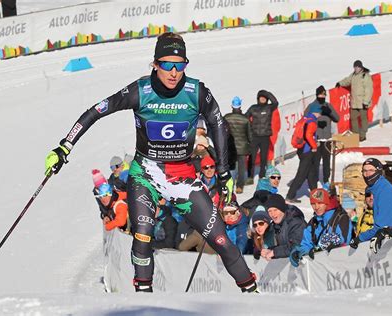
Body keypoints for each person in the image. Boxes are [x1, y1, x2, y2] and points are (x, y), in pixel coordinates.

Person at [44, 32, 257, 293]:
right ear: (155, 64)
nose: (174, 72)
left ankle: (254, 295)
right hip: (146, 174)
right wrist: (65, 145)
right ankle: (143, 299)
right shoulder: (140, 91)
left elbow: (218, 124)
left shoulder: (197, 92)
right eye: (167, 64)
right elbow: (97, 110)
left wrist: (224, 174)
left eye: (180, 65)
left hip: (184, 179)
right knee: (143, 235)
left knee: (222, 240)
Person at [289, 189, 352, 267]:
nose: (316, 207)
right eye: (313, 204)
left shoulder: (341, 218)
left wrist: (317, 250)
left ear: (327, 202)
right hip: (320, 270)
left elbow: (342, 242)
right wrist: (298, 252)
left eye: (320, 203)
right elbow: (306, 244)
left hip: (341, 266)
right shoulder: (313, 222)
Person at [349, 158, 392, 249]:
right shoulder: (374, 189)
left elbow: (383, 225)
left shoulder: (385, 191)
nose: (367, 174)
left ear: (379, 171)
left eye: (371, 170)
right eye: (364, 171)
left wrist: (360, 238)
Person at [304, 85, 339, 187]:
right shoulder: (311, 106)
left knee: (327, 162)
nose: (322, 96)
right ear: (316, 95)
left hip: (327, 139)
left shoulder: (328, 105)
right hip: (316, 139)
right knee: (315, 161)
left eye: (324, 95)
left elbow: (337, 118)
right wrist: (316, 122)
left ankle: (326, 180)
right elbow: (305, 119)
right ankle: (313, 182)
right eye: (320, 94)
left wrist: (330, 113)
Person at [286, 105, 321, 203]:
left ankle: (316, 195)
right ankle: (290, 196)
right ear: (315, 112)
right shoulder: (312, 122)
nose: (320, 115)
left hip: (302, 149)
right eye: (319, 112)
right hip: (307, 151)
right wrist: (314, 146)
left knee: (311, 173)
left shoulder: (305, 119)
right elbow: (308, 135)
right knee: (301, 174)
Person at [335, 60, 373, 142]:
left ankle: (363, 135)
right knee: (353, 118)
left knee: (363, 119)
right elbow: (347, 81)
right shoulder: (353, 75)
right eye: (355, 67)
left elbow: (369, 90)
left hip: (363, 102)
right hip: (354, 102)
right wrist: (340, 83)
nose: (356, 68)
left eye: (358, 67)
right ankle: (356, 135)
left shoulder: (365, 76)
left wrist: (366, 102)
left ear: (361, 67)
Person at [245, 90, 279, 180]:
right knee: (252, 157)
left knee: (264, 158)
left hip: (265, 137)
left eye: (265, 98)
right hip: (255, 137)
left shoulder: (269, 108)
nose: (263, 99)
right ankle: (250, 175)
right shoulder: (253, 108)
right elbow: (245, 118)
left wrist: (268, 94)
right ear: (258, 99)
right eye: (261, 97)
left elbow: (275, 102)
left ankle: (262, 175)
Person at [263, 194, 306, 259]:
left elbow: (296, 246)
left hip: (305, 263)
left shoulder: (295, 221)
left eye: (275, 210)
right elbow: (284, 246)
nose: (273, 214)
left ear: (282, 209)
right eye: (270, 211)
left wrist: (275, 252)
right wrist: (270, 250)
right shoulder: (277, 224)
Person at [224, 96, 252, 194]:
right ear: (240, 106)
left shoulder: (226, 117)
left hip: (230, 147)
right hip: (242, 147)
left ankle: (229, 185)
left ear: (231, 106)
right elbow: (250, 135)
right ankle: (239, 186)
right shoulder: (245, 119)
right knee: (241, 168)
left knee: (230, 167)